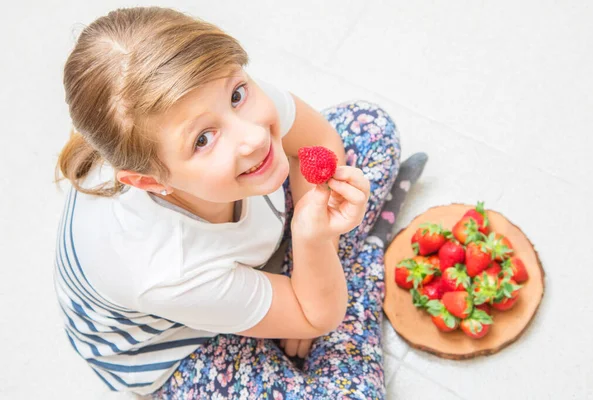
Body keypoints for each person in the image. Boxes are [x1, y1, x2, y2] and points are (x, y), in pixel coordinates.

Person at [53, 6, 428, 399]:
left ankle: (307, 287)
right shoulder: (167, 271)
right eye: (203, 140)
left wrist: (308, 258)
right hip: (182, 339)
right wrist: (312, 251)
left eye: (236, 94)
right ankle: (363, 271)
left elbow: (318, 141)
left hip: (232, 250)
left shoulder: (207, 94)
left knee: (370, 127)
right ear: (150, 181)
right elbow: (315, 316)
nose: (253, 138)